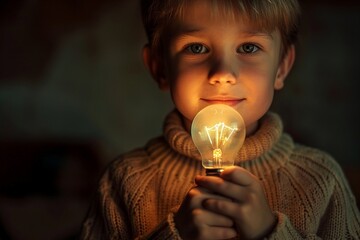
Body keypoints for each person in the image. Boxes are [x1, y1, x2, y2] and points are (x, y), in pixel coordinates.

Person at [80, 0, 360, 239]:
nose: (223, 72)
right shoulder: (124, 181)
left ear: (282, 67)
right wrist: (177, 234)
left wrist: (269, 231)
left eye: (249, 48)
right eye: (197, 48)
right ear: (159, 66)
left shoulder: (322, 180)